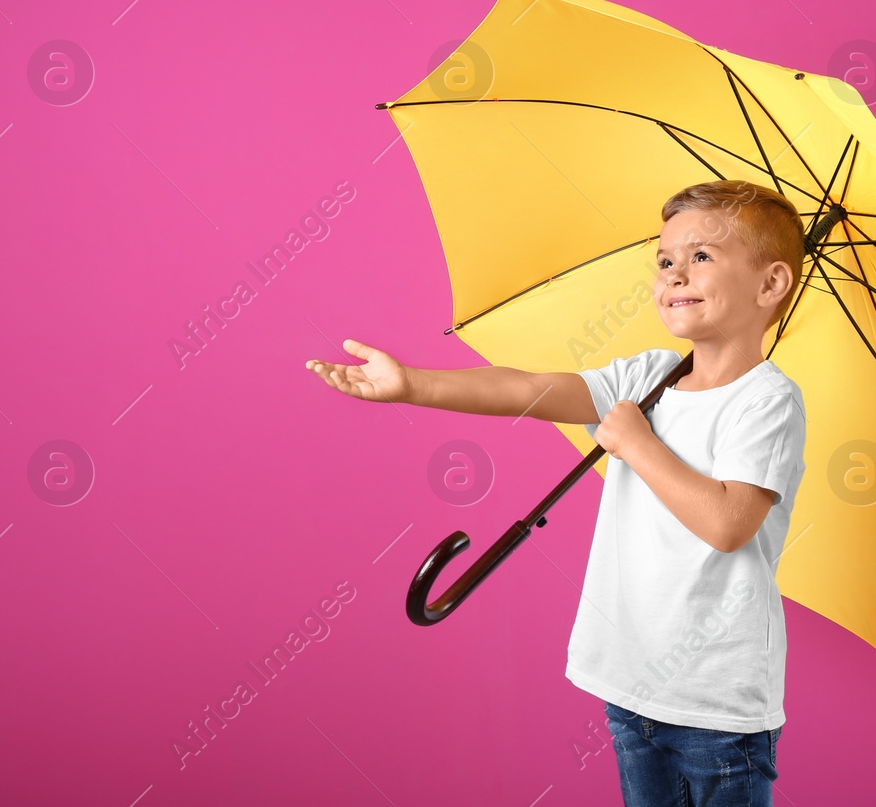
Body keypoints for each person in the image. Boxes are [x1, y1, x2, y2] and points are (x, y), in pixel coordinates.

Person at [305, 180, 808, 806]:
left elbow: (730, 523)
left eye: (701, 256)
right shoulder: (649, 377)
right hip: (629, 681)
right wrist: (415, 386)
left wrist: (640, 445)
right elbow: (528, 388)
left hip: (714, 705)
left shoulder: (767, 402)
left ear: (770, 285)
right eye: (665, 260)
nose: (675, 272)